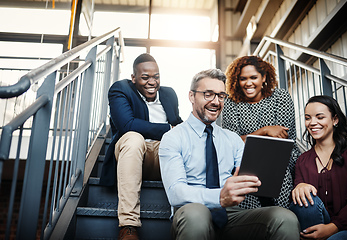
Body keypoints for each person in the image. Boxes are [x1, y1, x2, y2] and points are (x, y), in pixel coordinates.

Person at [159, 69, 300, 240]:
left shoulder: (232, 139)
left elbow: (246, 174)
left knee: (284, 218)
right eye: (208, 94)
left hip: (231, 215)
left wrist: (252, 178)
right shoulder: (173, 137)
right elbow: (175, 192)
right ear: (191, 96)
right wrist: (219, 197)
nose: (215, 102)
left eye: (220, 96)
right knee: (196, 215)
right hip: (192, 210)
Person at [99, 53, 183, 240]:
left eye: (156, 76)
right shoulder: (120, 89)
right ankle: (128, 226)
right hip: (134, 155)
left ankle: (185, 220)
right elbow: (127, 125)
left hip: (163, 156)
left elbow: (179, 123)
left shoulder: (169, 94)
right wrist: (169, 129)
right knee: (133, 137)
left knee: (183, 145)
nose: (152, 82)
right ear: (134, 78)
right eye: (145, 77)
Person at [222, 55, 300, 208]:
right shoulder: (231, 103)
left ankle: (281, 216)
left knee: (278, 170)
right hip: (245, 160)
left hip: (281, 157)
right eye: (243, 78)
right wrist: (265, 131)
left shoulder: (280, 97)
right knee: (244, 174)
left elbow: (281, 138)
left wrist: (246, 138)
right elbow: (230, 142)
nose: (248, 83)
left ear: (264, 77)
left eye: (253, 77)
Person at [289, 95, 347, 240]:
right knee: (304, 201)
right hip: (317, 223)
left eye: (320, 117)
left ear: (335, 120)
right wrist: (299, 186)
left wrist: (332, 228)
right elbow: (300, 202)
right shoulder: (302, 161)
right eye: (308, 118)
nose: (312, 123)